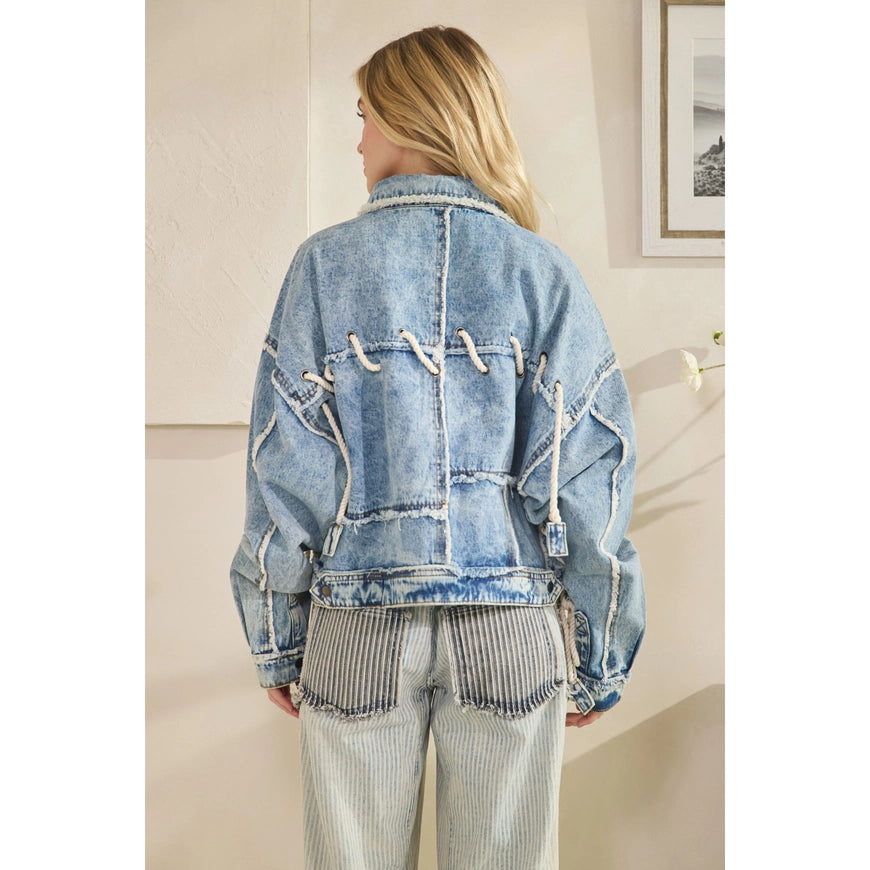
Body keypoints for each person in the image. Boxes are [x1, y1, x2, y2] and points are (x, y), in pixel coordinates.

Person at [230, 25, 644, 869]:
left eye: (364, 115)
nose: (358, 140)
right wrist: (602, 650)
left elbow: (287, 466)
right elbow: (588, 471)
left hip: (359, 624)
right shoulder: (542, 271)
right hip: (509, 625)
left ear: (408, 116)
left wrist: (274, 631)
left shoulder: (324, 266)